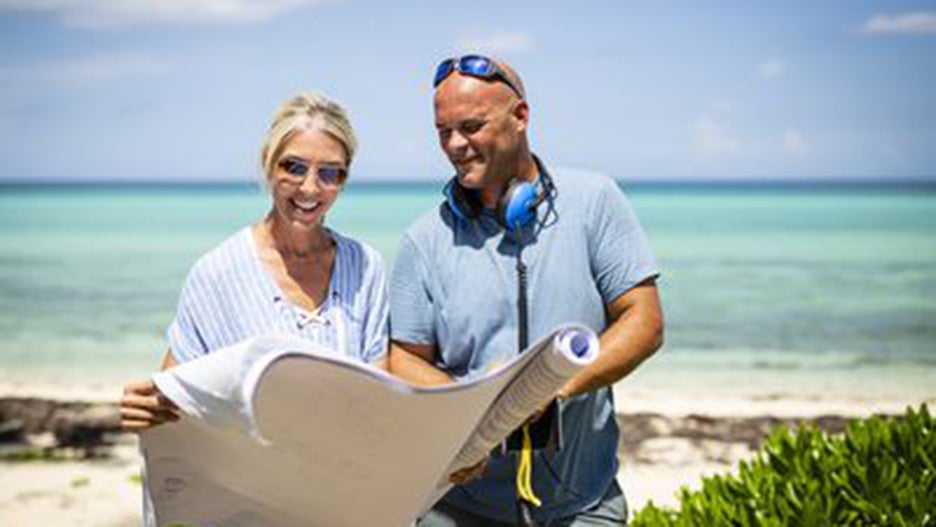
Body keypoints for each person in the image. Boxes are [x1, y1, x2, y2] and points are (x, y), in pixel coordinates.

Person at [389, 56, 664, 526]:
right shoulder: (422, 239)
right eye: (443, 131)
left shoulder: (595, 201)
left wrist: (552, 388)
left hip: (584, 505)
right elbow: (404, 358)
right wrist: (473, 407)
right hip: (458, 508)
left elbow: (644, 320)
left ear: (520, 116)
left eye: (471, 127)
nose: (455, 145)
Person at [119, 91, 389, 431]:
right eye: (294, 167)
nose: (310, 188)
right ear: (268, 163)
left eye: (329, 173)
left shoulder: (366, 268)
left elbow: (378, 399)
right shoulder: (216, 274)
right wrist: (144, 409)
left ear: (343, 180)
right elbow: (176, 399)